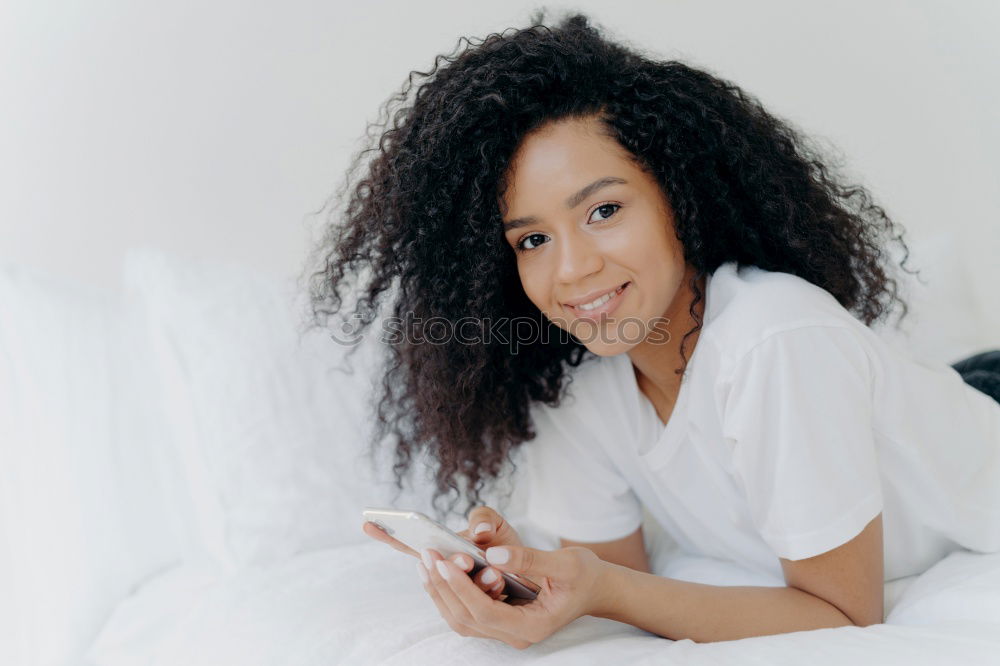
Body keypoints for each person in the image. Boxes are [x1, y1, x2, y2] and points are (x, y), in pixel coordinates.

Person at [304, 10, 1000, 647]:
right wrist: (530, 573)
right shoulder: (579, 387)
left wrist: (603, 588)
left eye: (603, 211)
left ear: (678, 195)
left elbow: (845, 616)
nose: (572, 269)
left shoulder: (776, 338)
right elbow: (616, 585)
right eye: (532, 241)